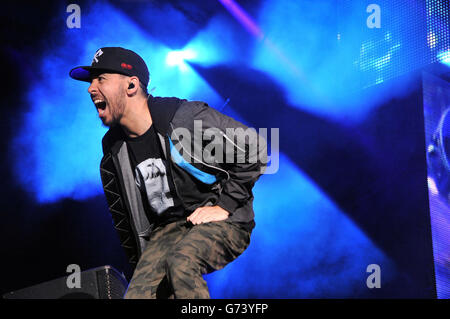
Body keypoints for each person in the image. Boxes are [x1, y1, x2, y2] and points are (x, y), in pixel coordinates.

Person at [69, 47, 267, 299]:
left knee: (181, 262)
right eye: (90, 81)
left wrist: (225, 205)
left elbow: (256, 148)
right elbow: (127, 222)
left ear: (131, 85)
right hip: (168, 230)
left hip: (223, 218)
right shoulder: (113, 152)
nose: (90, 88)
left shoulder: (184, 118)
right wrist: (146, 269)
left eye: (101, 79)